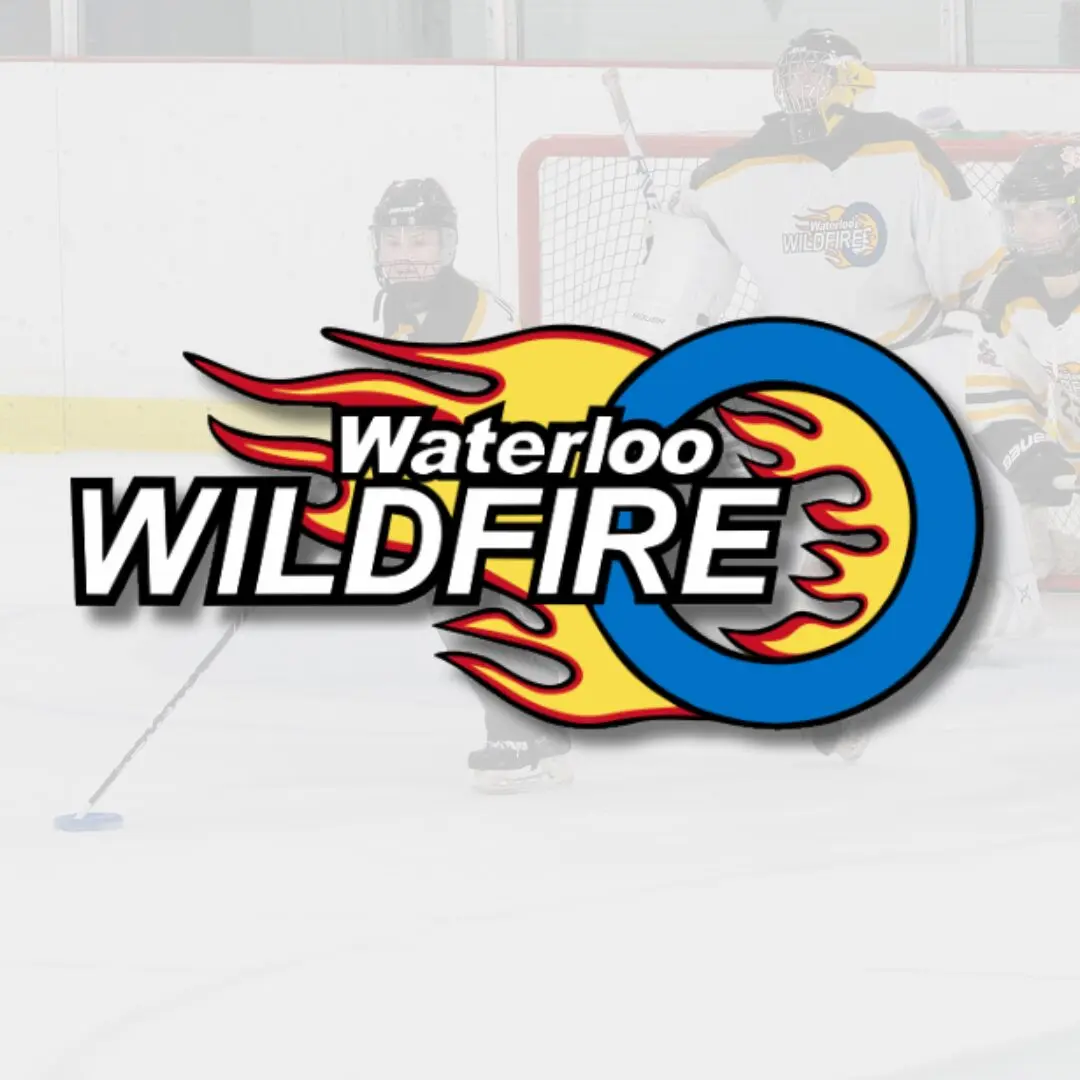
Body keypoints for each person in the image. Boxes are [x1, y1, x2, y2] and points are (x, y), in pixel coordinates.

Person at [622, 29, 1033, 762]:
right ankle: (813, 649)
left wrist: (1008, 322)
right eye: (794, 75)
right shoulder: (729, 173)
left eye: (817, 75)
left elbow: (971, 267)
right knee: (790, 496)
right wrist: (668, 250)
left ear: (850, 81)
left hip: (917, 345)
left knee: (972, 451)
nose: (801, 90)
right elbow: (678, 297)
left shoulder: (905, 150)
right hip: (812, 366)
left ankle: (997, 595)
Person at [369, 177, 572, 793]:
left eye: (420, 240)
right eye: (394, 241)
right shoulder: (390, 308)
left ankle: (518, 737)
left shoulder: (478, 313)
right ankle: (542, 735)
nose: (406, 254)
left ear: (448, 244)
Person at [965, 143, 1080, 585]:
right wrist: (1026, 451)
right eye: (1017, 216)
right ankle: (1027, 577)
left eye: (1040, 215)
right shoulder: (1009, 291)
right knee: (999, 469)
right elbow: (999, 390)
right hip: (1071, 451)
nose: (1024, 229)